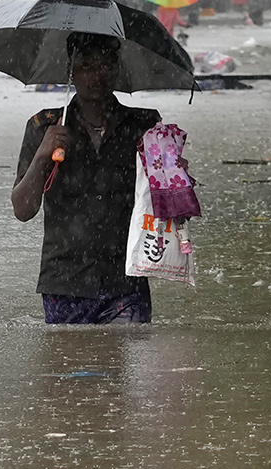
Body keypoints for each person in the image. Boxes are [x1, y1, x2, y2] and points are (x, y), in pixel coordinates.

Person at [12, 33, 161, 324]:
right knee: (68, 363)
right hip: (64, 282)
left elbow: (169, 208)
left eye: (106, 65)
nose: (97, 74)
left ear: (118, 69)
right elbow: (23, 209)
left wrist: (172, 173)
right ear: (71, 70)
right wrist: (44, 153)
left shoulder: (144, 127)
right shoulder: (44, 126)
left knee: (128, 363)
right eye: (86, 65)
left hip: (126, 281)